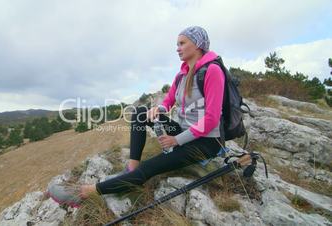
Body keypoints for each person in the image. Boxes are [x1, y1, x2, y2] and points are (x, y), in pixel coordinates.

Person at [46, 26, 225, 207]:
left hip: (205, 142)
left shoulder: (212, 71)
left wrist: (176, 140)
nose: (177, 48)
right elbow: (169, 101)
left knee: (149, 168)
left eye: (182, 43)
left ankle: (84, 193)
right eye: (177, 44)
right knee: (140, 113)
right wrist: (159, 110)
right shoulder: (182, 74)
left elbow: (211, 119)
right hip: (183, 131)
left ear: (197, 44)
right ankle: (131, 168)